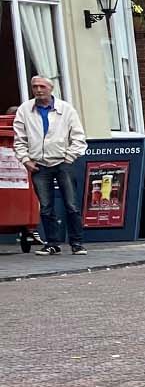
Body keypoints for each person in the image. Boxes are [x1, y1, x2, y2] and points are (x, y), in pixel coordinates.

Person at [13, 75, 87, 256]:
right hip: (39, 165)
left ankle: (77, 243)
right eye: (35, 87)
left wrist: (69, 158)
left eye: (42, 86)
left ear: (51, 88)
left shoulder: (66, 109)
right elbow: (19, 139)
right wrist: (26, 161)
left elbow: (78, 137)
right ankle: (52, 243)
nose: (38, 90)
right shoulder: (25, 110)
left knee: (71, 205)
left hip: (63, 162)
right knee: (46, 207)